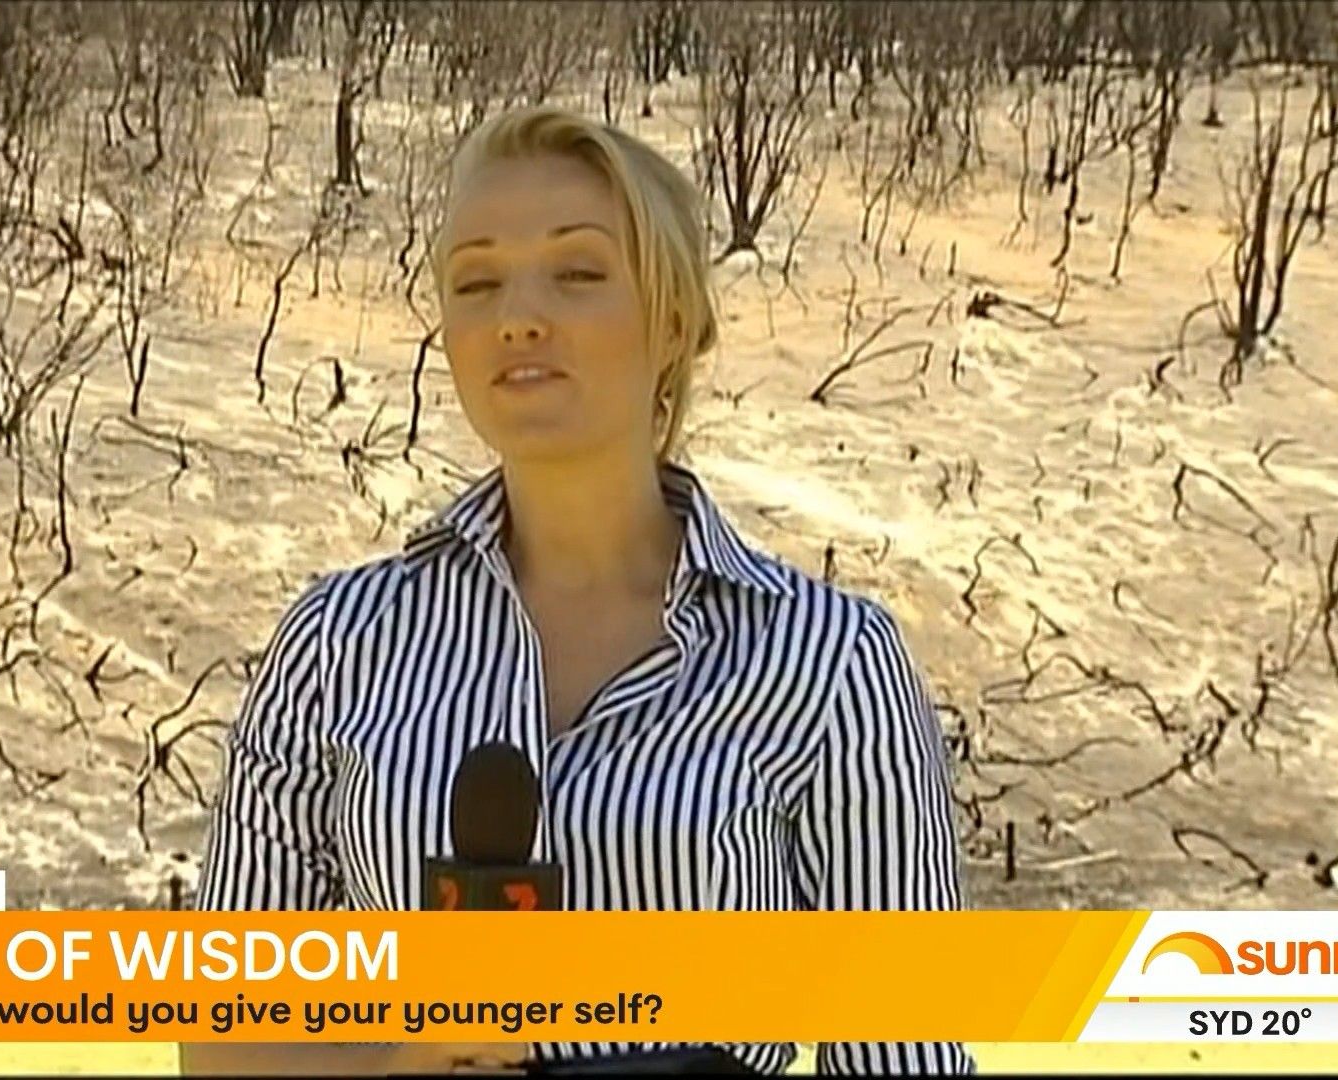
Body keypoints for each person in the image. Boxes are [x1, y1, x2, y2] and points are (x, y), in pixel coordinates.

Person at [180, 105, 974, 1076]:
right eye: (477, 283)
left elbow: (905, 1052)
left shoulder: (830, 664)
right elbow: (226, 1045)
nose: (518, 315)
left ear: (673, 320)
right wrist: (402, 1059)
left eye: (578, 272)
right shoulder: (335, 647)